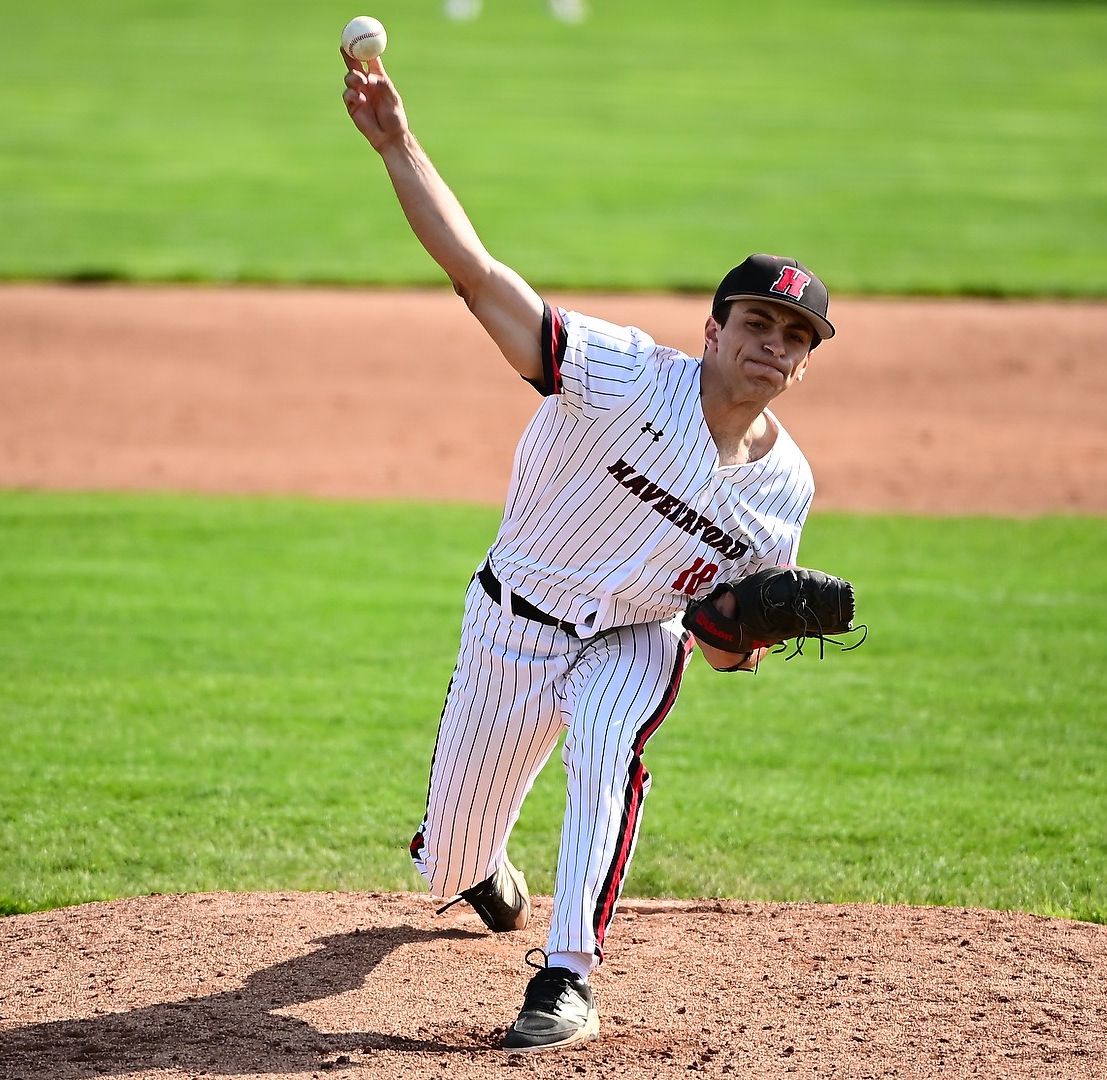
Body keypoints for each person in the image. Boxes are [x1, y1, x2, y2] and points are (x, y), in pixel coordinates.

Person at [341, 48, 837, 1053]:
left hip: (632, 637)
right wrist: (399, 145)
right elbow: (478, 278)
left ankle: (566, 977)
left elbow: (725, 643)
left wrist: (743, 639)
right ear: (712, 327)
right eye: (756, 321)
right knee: (448, 860)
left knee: (610, 745)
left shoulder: (788, 488)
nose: (773, 344)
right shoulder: (616, 374)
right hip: (510, 621)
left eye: (796, 335)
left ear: (804, 359)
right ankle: (478, 862)